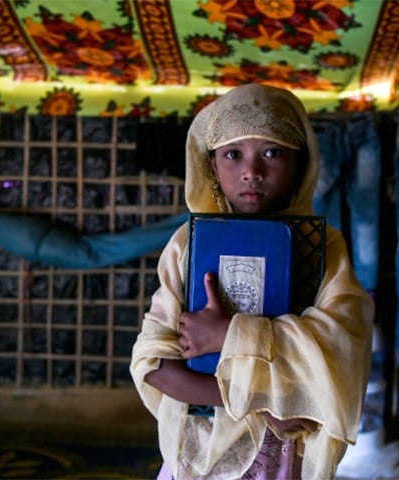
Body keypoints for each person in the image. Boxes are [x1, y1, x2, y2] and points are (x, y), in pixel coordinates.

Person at [129, 83, 374, 479]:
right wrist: (262, 403)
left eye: (273, 152)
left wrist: (229, 335)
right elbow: (152, 363)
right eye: (233, 154)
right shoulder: (187, 248)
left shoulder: (324, 250)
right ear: (211, 165)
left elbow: (343, 348)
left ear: (301, 163)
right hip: (198, 458)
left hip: (278, 462)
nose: (252, 172)